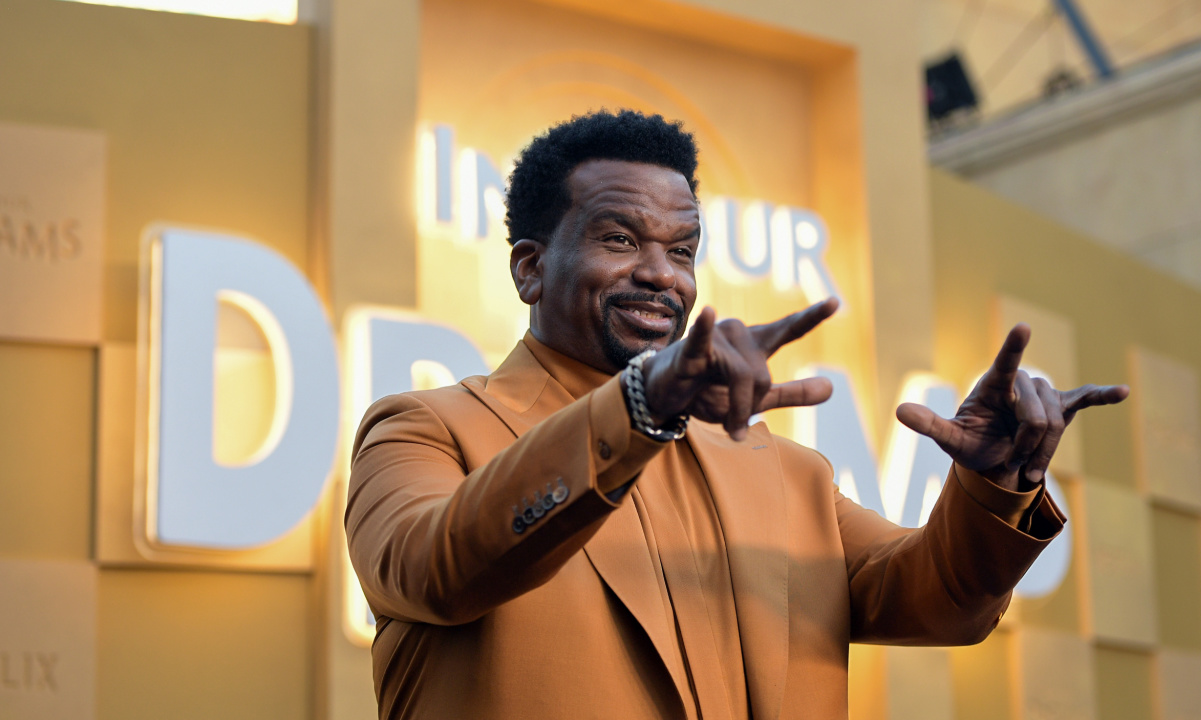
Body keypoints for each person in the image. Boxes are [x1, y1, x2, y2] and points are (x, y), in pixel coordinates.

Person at [345, 110, 1127, 720]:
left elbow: (943, 600)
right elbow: (434, 567)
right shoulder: (422, 428)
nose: (659, 274)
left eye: (682, 251)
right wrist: (638, 408)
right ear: (529, 267)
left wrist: (995, 484)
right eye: (620, 239)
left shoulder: (787, 474)